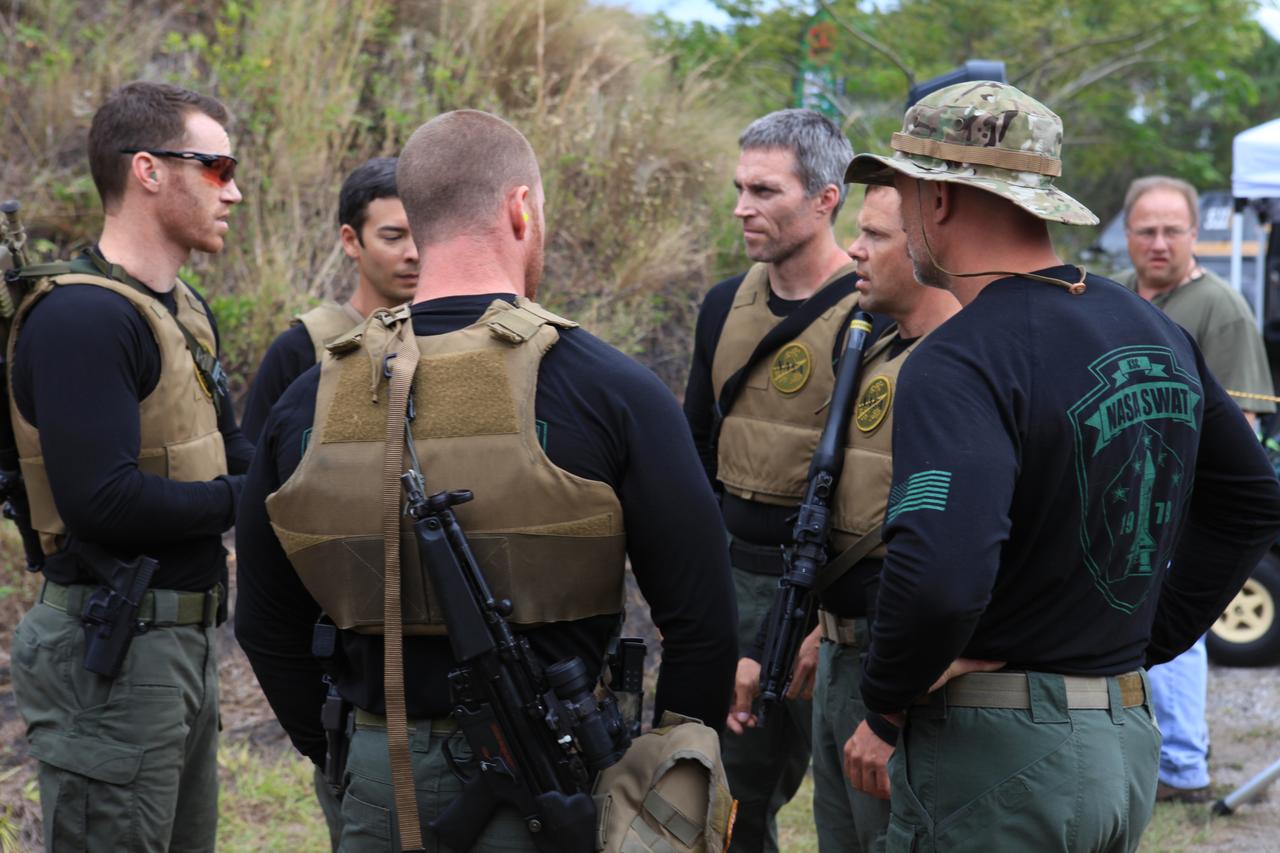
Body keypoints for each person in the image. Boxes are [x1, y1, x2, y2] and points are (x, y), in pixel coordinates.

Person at [235, 109, 738, 852]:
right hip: (565, 781)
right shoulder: (610, 389)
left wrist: (350, 753)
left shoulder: (307, 397)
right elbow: (703, 622)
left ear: (420, 219)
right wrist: (653, 786)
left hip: (380, 776)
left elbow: (263, 622)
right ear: (520, 209)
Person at [840, 81, 1280, 851]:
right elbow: (1250, 499)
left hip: (995, 759)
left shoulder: (960, 357)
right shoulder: (1148, 327)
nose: (901, 214)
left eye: (904, 190)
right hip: (1120, 746)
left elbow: (941, 576)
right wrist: (1144, 639)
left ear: (939, 198)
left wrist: (885, 700)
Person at [7, 81, 251, 853]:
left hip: (179, 644)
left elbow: (232, 451)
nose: (234, 191)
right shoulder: (83, 318)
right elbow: (100, 502)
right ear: (148, 170)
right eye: (216, 168)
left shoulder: (180, 309)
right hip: (109, 656)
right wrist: (248, 498)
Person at [728, 184, 959, 852]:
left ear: (929, 248)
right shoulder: (875, 348)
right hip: (840, 649)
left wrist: (886, 704)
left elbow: (940, 554)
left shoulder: (960, 367)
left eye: (876, 236)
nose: (854, 249)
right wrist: (818, 627)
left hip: (897, 666)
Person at [683, 107, 864, 853]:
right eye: (738, 187)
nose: (741, 207)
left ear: (825, 198)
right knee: (731, 798)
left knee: (858, 802)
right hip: (736, 579)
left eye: (764, 190)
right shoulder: (726, 304)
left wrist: (832, 616)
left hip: (837, 591)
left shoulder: (873, 312)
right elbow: (696, 449)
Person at [1114, 175, 1277, 803]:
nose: (1159, 242)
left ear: (1194, 236)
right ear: (1126, 236)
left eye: (1172, 230)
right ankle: (1155, 756)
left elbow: (1243, 430)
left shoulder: (1220, 308)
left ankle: (1184, 770)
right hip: (1125, 509)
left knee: (1176, 640)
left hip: (1184, 512)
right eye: (1146, 230)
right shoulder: (1120, 297)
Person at [240, 157, 419, 441]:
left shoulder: (451, 334)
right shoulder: (299, 350)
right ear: (350, 241)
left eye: (422, 234)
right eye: (393, 237)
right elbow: (253, 468)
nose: (413, 253)